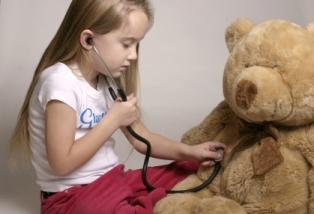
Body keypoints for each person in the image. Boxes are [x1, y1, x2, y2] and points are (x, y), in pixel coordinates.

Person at [10, 0, 225, 213]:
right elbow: (61, 164)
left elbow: (143, 138)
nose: (133, 55)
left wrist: (189, 152)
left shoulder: (106, 82)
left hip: (112, 180)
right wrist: (112, 120)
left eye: (137, 44)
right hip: (71, 197)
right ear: (88, 40)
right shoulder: (60, 82)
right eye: (126, 44)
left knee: (192, 171)